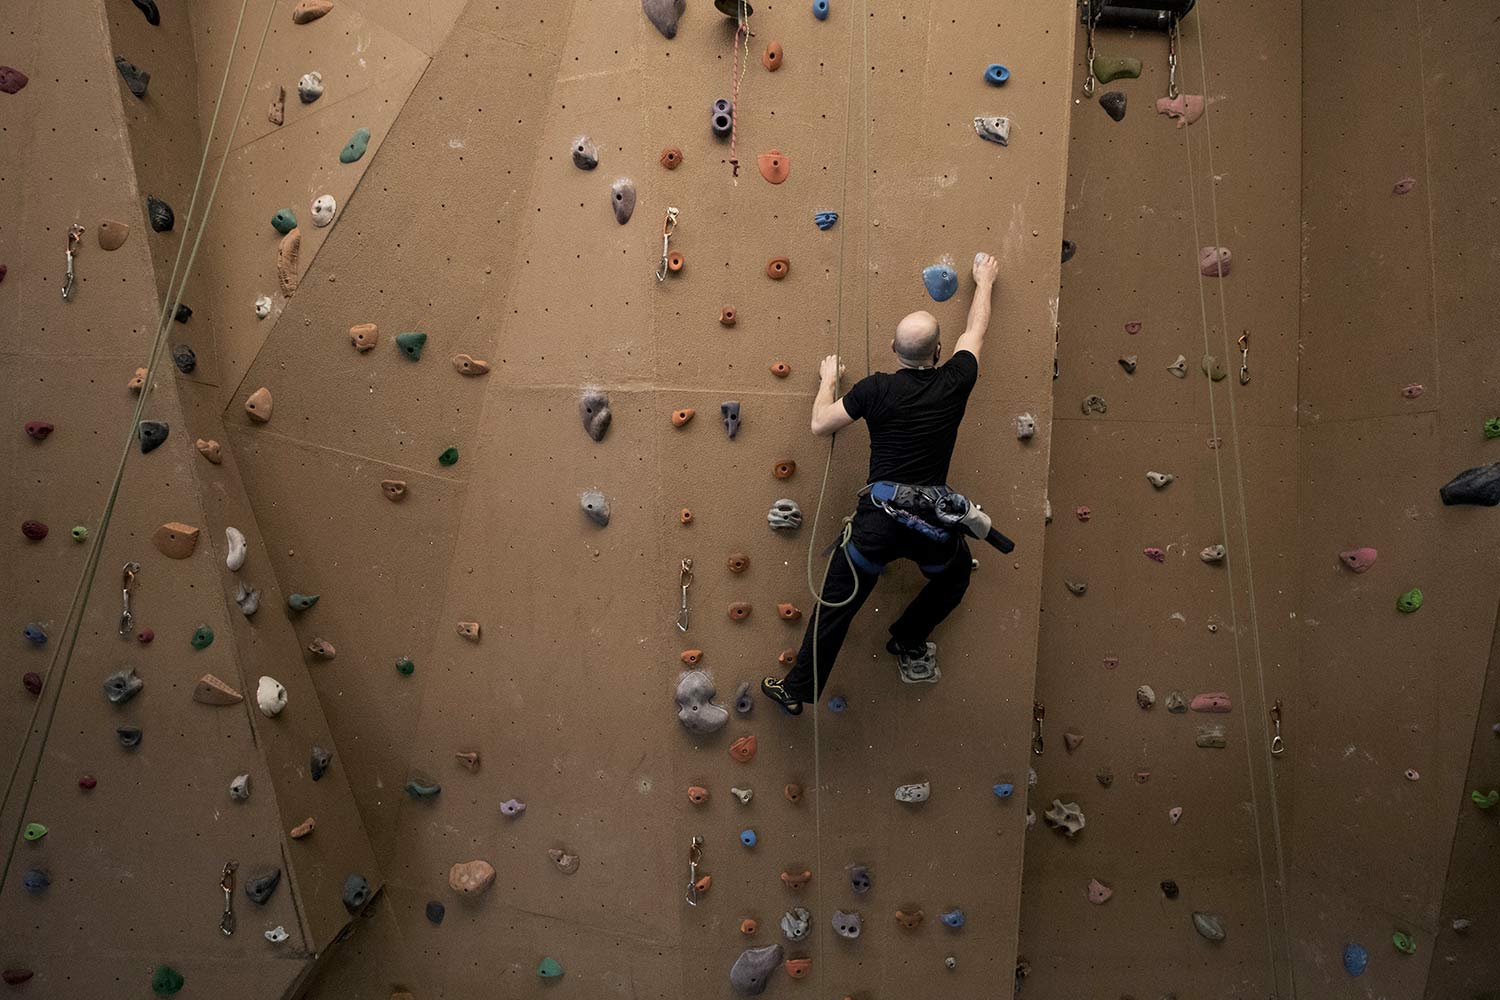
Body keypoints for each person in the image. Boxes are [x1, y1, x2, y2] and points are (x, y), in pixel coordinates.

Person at [761, 252, 1000, 715]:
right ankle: (908, 638)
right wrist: (983, 281)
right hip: (933, 522)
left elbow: (820, 424)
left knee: (836, 605)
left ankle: (796, 690)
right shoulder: (956, 379)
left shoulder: (875, 389)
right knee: (952, 580)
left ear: (893, 350)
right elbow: (976, 332)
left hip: (879, 523)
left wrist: (828, 380)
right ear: (937, 352)